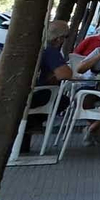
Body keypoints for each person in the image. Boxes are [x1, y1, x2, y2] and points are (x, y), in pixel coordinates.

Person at [24, 20, 74, 151]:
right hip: (32, 95)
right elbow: (66, 74)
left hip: (14, 92)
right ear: (59, 38)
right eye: (65, 37)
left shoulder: (32, 46)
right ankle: (33, 124)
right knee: (62, 100)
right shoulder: (50, 51)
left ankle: (29, 129)